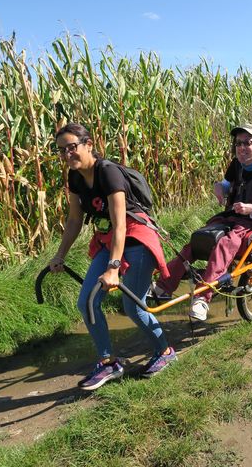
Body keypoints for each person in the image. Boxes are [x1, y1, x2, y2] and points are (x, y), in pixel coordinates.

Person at [50, 123, 176, 390]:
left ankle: (165, 351)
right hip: (110, 240)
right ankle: (109, 363)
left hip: (137, 238)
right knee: (86, 302)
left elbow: (121, 224)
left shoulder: (107, 172)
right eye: (61, 151)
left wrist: (114, 268)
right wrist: (60, 255)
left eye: (72, 147)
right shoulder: (74, 177)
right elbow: (74, 220)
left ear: (88, 145)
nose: (67, 155)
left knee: (133, 306)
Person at [157, 124, 252, 320]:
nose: (242, 148)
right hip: (232, 217)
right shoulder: (236, 164)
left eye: (247, 143)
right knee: (197, 240)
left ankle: (202, 298)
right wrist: (220, 187)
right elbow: (226, 183)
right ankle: (163, 287)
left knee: (225, 244)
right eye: (238, 143)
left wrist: (251, 209)